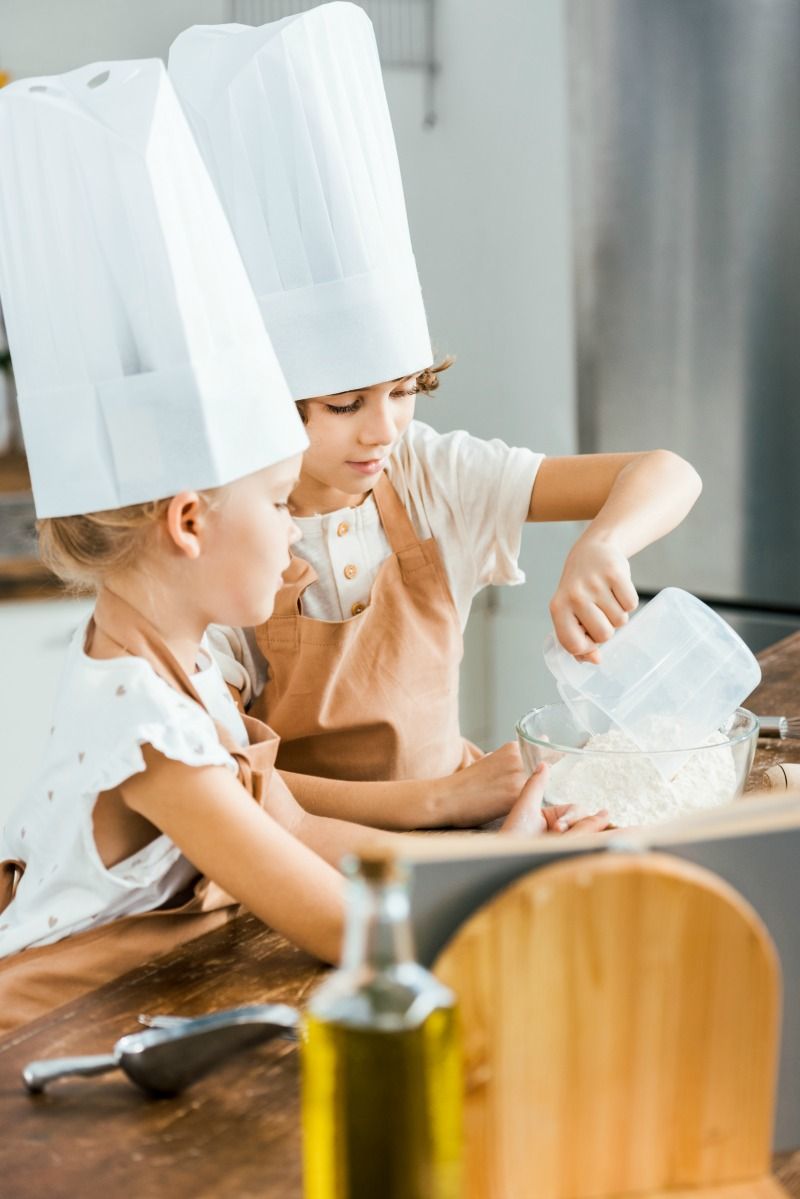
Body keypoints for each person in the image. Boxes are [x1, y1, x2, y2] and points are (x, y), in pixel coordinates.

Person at [0, 58, 604, 1035]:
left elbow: (301, 829)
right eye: (281, 502)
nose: (296, 529)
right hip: (42, 1047)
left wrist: (491, 845)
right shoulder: (144, 729)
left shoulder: (179, 674)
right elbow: (337, 924)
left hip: (134, 1009)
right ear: (189, 521)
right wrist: (514, 863)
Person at [170, 6, 702, 831]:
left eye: (405, 388)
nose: (384, 428)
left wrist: (604, 541)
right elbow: (227, 783)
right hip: (304, 861)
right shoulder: (229, 537)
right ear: (263, 399)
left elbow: (668, 472)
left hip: (464, 823)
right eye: (345, 405)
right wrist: (439, 798)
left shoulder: (426, 473)